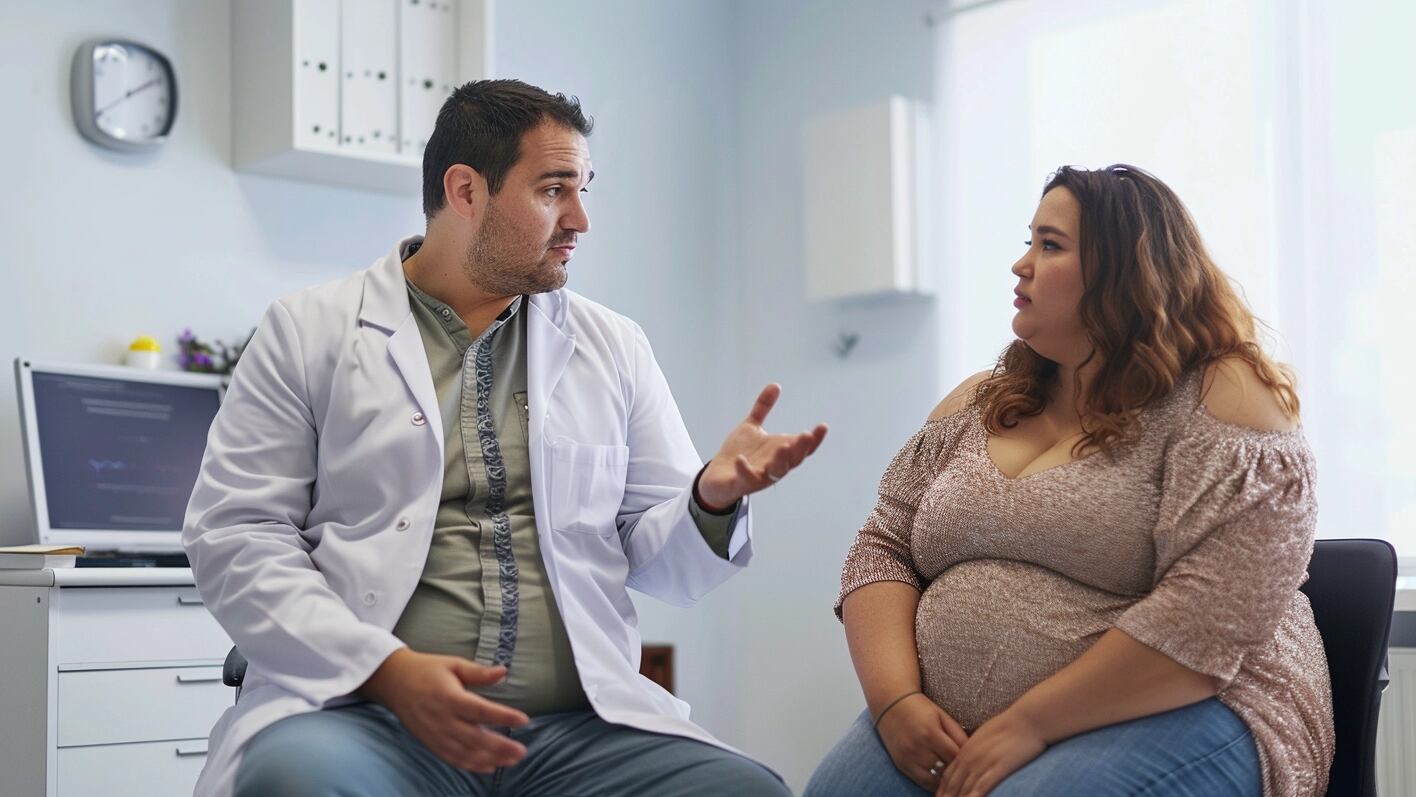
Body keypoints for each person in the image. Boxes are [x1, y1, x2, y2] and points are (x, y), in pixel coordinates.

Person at [183, 79, 826, 797]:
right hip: (364, 714)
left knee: (748, 792)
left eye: (583, 189)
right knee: (296, 781)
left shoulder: (611, 344)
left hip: (577, 731)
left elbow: (664, 565)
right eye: (554, 190)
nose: (580, 218)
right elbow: (238, 534)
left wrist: (709, 497)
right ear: (465, 191)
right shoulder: (310, 331)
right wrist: (383, 670)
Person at [806, 164, 1334, 797]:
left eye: (1049, 245)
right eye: (1028, 240)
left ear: (1127, 272)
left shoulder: (1221, 395)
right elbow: (882, 549)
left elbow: (1207, 618)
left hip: (1196, 705)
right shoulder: (978, 402)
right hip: (954, 722)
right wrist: (894, 705)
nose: (1020, 265)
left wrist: (1029, 723)